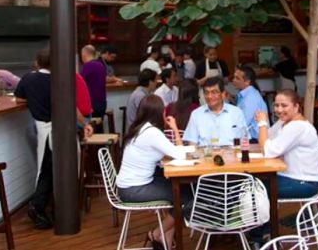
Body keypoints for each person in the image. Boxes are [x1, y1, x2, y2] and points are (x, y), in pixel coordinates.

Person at [14, 49, 93, 229]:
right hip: (63, 128)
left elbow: (18, 100)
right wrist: (85, 124)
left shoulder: (27, 79)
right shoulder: (59, 80)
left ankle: (42, 206)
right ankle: (57, 207)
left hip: (43, 128)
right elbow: (71, 107)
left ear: (37, 62)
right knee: (67, 167)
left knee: (45, 169)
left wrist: (33, 101)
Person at [117, 95, 186, 250]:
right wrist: (175, 129)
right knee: (184, 197)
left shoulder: (140, 129)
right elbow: (180, 154)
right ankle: (156, 234)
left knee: (178, 190)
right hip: (134, 190)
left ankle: (165, 238)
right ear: (158, 113)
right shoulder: (152, 133)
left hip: (129, 186)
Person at [255, 90, 318, 199]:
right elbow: (266, 139)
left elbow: (267, 151)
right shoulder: (284, 122)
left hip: (305, 182)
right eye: (276, 105)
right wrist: (263, 126)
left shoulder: (298, 126)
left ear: (296, 107)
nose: (279, 109)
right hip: (289, 177)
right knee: (251, 181)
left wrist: (262, 123)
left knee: (253, 189)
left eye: (284, 106)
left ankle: (268, 216)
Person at [183, 76, 247, 146]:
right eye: (206, 93)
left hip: (231, 155)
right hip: (206, 155)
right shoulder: (196, 114)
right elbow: (192, 144)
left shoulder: (236, 113)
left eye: (214, 92)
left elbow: (244, 141)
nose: (209, 96)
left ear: (223, 94)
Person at [232, 65, 268, 141]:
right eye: (234, 77)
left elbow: (243, 122)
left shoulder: (251, 97)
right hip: (250, 137)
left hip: (255, 139)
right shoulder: (245, 94)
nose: (233, 80)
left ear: (247, 82)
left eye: (237, 78)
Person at [80, 44, 107, 119]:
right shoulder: (100, 65)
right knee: (99, 128)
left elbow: (79, 82)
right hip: (102, 103)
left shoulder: (88, 66)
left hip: (92, 104)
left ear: (84, 55)